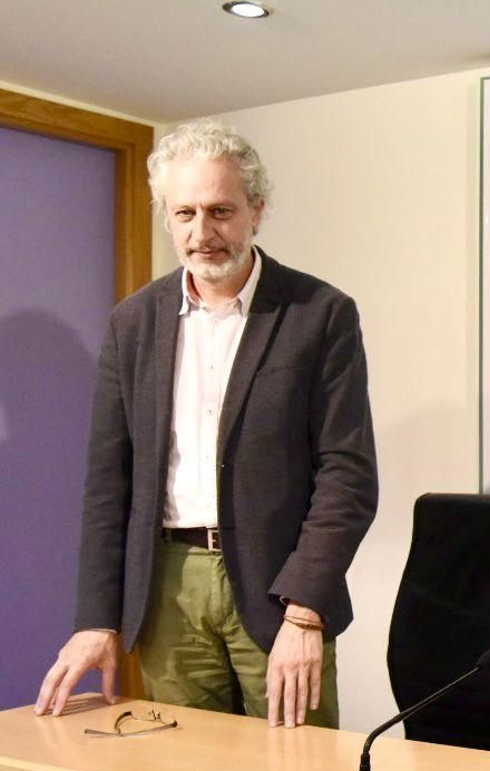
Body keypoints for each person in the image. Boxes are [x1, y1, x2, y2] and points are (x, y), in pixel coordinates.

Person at [35, 120, 378, 730]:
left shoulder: (319, 314)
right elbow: (108, 484)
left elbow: (347, 477)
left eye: (221, 210)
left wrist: (306, 612)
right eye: (184, 213)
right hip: (166, 590)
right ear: (167, 218)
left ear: (257, 211)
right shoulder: (132, 323)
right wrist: (96, 619)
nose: (202, 233)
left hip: (280, 588)